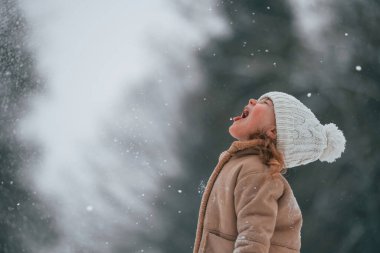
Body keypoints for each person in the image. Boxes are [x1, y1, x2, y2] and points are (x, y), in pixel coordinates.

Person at [193, 91, 346, 253]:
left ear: (272, 132)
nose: (252, 100)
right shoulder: (243, 165)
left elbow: (252, 240)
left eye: (264, 103)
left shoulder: (257, 173)